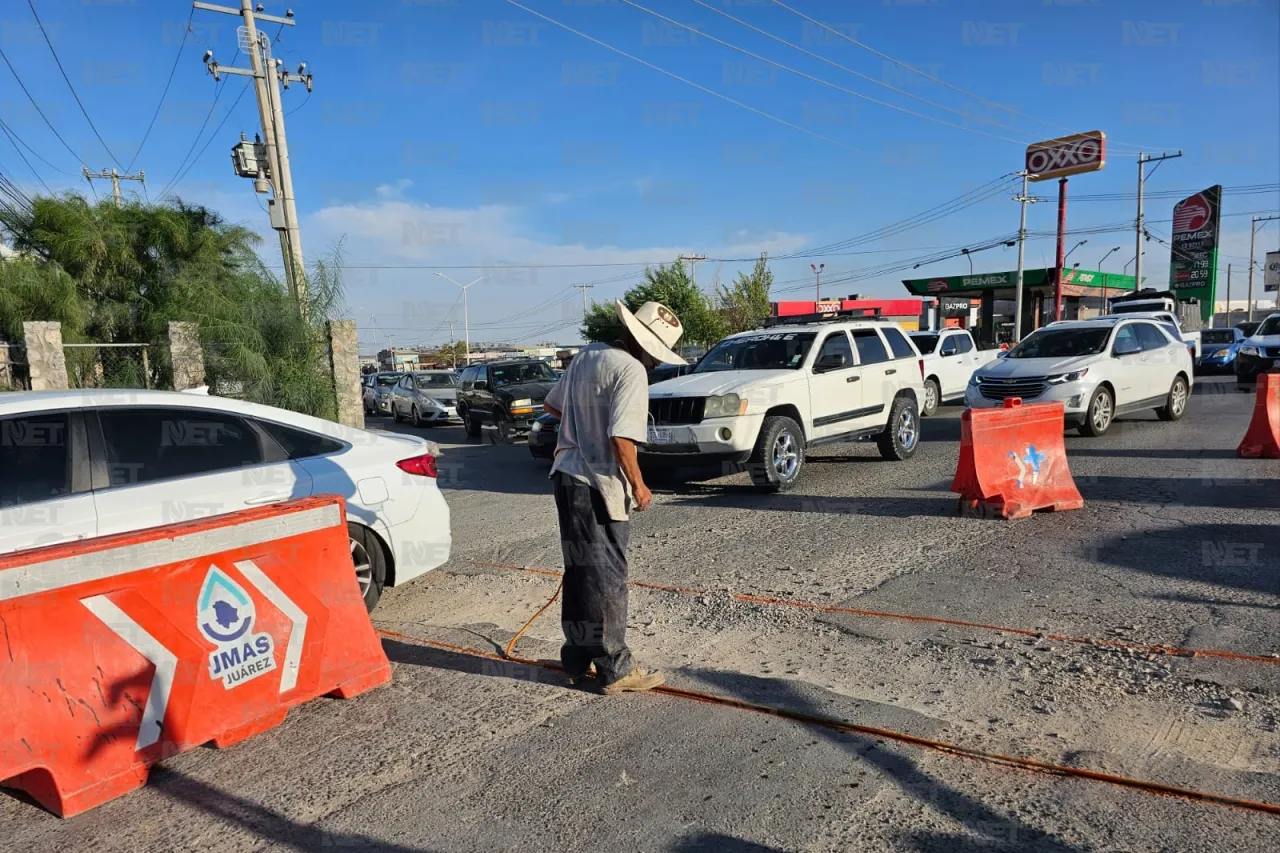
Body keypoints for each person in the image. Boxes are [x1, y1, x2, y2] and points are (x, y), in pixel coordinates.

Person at [542, 300, 686, 695]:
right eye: (655, 354)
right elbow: (621, 438)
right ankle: (615, 668)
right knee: (607, 576)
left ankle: (576, 659)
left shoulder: (587, 355)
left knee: (579, 572)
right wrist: (639, 486)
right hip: (598, 484)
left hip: (566, 473)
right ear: (642, 345)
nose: (656, 363)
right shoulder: (631, 369)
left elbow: (551, 405)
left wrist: (581, 425)